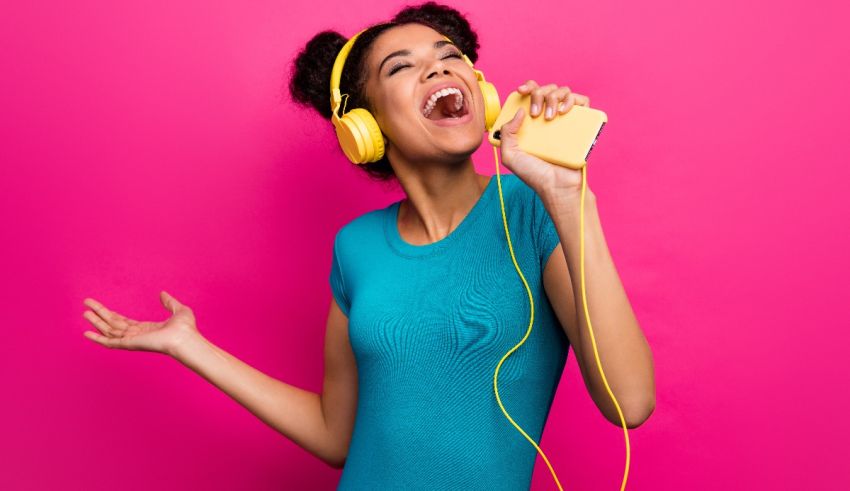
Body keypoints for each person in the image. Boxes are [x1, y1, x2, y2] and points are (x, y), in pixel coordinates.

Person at [82, 2, 655, 489]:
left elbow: (628, 403)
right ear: (367, 127)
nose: (437, 70)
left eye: (449, 56)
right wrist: (190, 346)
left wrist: (568, 194)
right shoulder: (355, 247)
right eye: (402, 67)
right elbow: (336, 434)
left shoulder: (534, 209)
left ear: (479, 91)